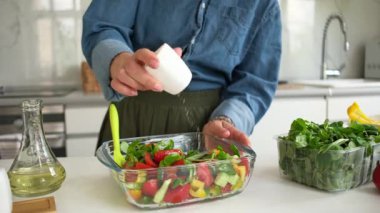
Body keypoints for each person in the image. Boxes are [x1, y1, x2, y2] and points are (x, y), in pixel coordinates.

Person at [81, 0, 282, 148]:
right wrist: (118, 59)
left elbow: (255, 84)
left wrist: (227, 121)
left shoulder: (265, 5)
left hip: (207, 132)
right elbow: (103, 26)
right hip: (135, 116)